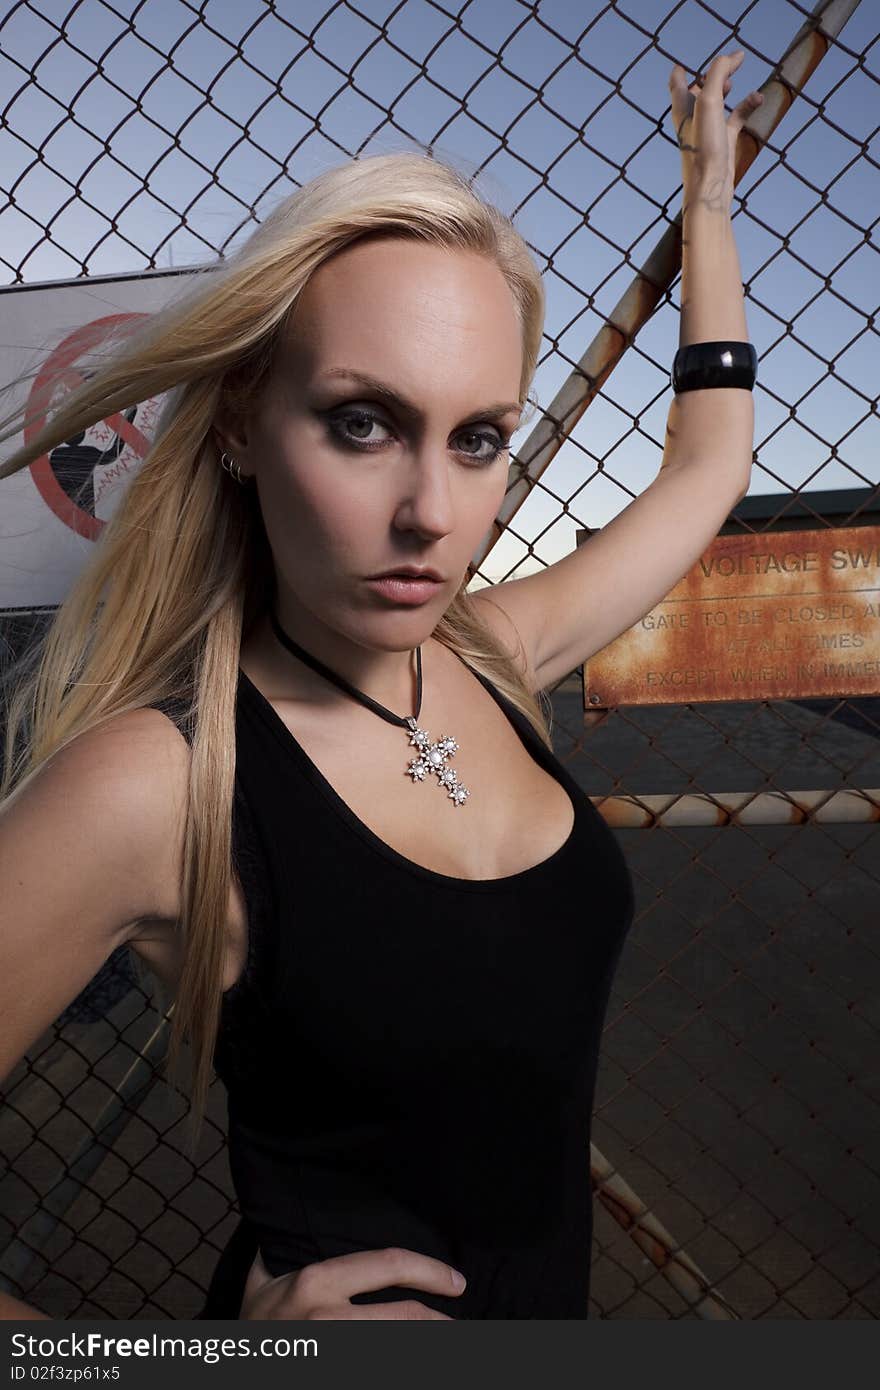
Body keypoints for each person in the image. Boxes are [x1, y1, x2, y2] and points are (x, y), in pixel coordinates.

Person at [0, 52, 761, 1321]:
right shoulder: (160, 779)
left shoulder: (487, 652)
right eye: (363, 422)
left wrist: (709, 213)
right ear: (241, 424)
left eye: (477, 440)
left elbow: (706, 468)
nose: (430, 514)